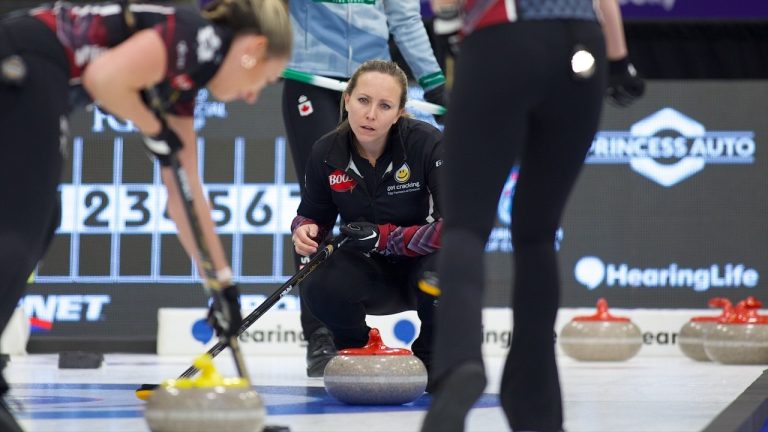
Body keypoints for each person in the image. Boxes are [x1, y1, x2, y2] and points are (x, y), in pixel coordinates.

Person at [0, 0, 291, 430]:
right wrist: (152, 128)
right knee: (23, 226)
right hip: (28, 58)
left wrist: (223, 283)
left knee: (40, 219)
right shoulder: (200, 40)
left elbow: (186, 197)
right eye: (263, 80)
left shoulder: (185, 80)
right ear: (255, 48)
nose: (252, 96)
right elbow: (104, 78)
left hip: (27, 63)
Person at [419, 0, 644, 431]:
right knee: (537, 233)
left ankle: (459, 364)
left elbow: (448, 5)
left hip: (503, 36)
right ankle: (535, 404)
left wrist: (448, 23)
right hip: (584, 47)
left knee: (466, 225)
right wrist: (619, 59)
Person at [281, 0, 448, 377]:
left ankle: (434, 351)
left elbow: (405, 16)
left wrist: (435, 82)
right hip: (311, 75)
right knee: (317, 207)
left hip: (372, 72)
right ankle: (325, 337)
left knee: (445, 247)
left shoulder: (422, 138)